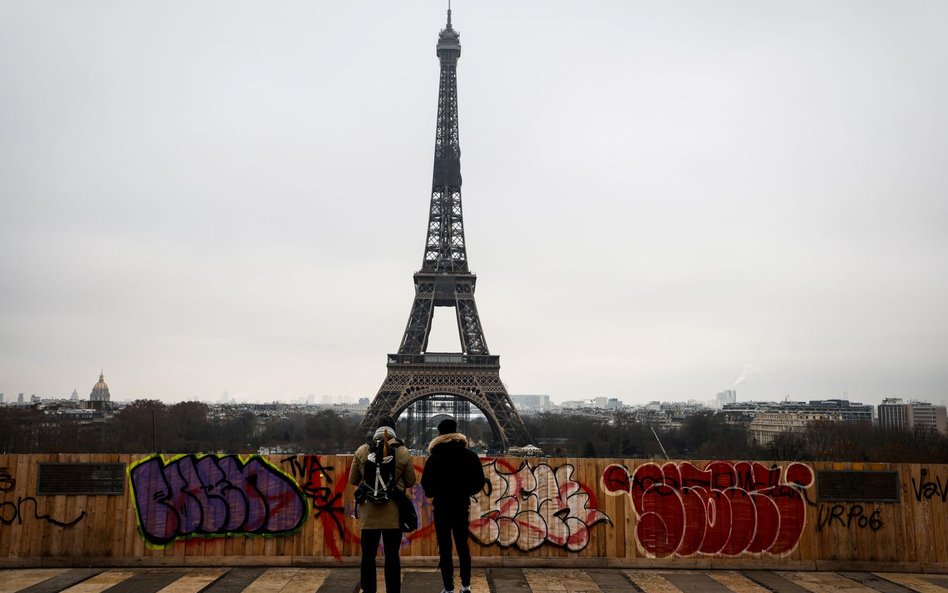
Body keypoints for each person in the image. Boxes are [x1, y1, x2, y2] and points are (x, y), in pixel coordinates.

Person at [349, 415, 416, 593]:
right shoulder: (403, 451)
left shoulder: (362, 450)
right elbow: (410, 481)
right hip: (393, 511)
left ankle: (369, 590)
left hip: (368, 511)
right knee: (392, 556)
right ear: (394, 430)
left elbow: (353, 479)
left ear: (376, 429)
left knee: (368, 557)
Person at [421, 418, 487, 593]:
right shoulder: (470, 456)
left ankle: (448, 588)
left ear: (440, 434)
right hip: (461, 506)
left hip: (441, 507)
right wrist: (466, 491)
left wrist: (436, 493)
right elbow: (480, 481)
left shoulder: (434, 459)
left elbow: (426, 486)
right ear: (456, 432)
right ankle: (466, 586)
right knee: (462, 547)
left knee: (445, 549)